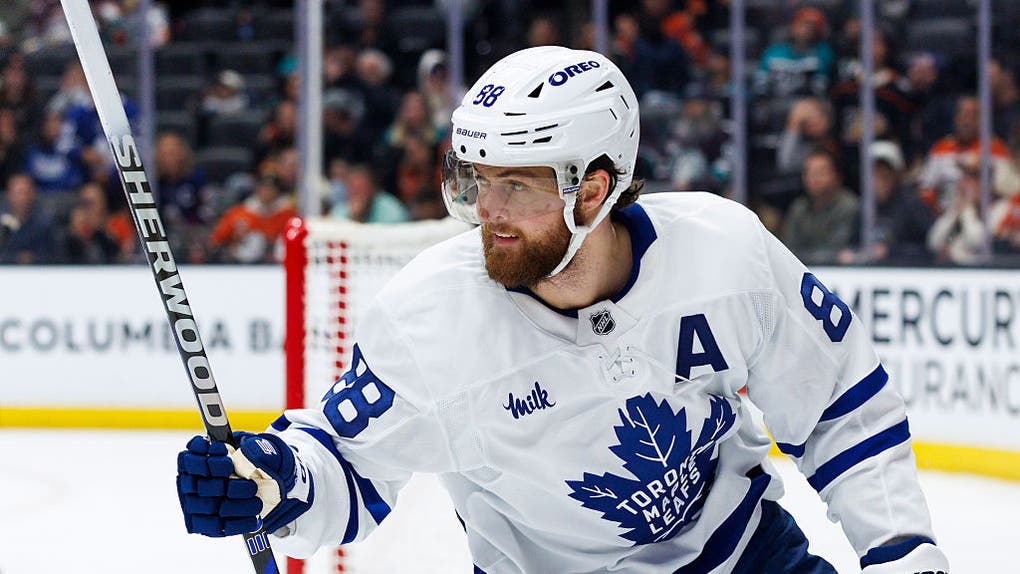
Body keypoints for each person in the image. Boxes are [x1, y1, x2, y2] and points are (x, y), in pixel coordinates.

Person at [176, 46, 949, 574]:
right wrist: (274, 478)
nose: (488, 211)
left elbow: (840, 409)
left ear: (593, 189)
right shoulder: (430, 319)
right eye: (477, 180)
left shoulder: (724, 255)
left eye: (516, 185)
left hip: (740, 556)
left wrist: (903, 553)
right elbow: (346, 465)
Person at [781, 148, 860, 265]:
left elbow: (836, 251)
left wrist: (805, 257)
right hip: (802, 270)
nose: (813, 178)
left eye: (820, 172)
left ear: (836, 176)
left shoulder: (849, 206)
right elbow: (787, 250)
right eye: (809, 173)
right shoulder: (799, 207)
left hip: (838, 272)